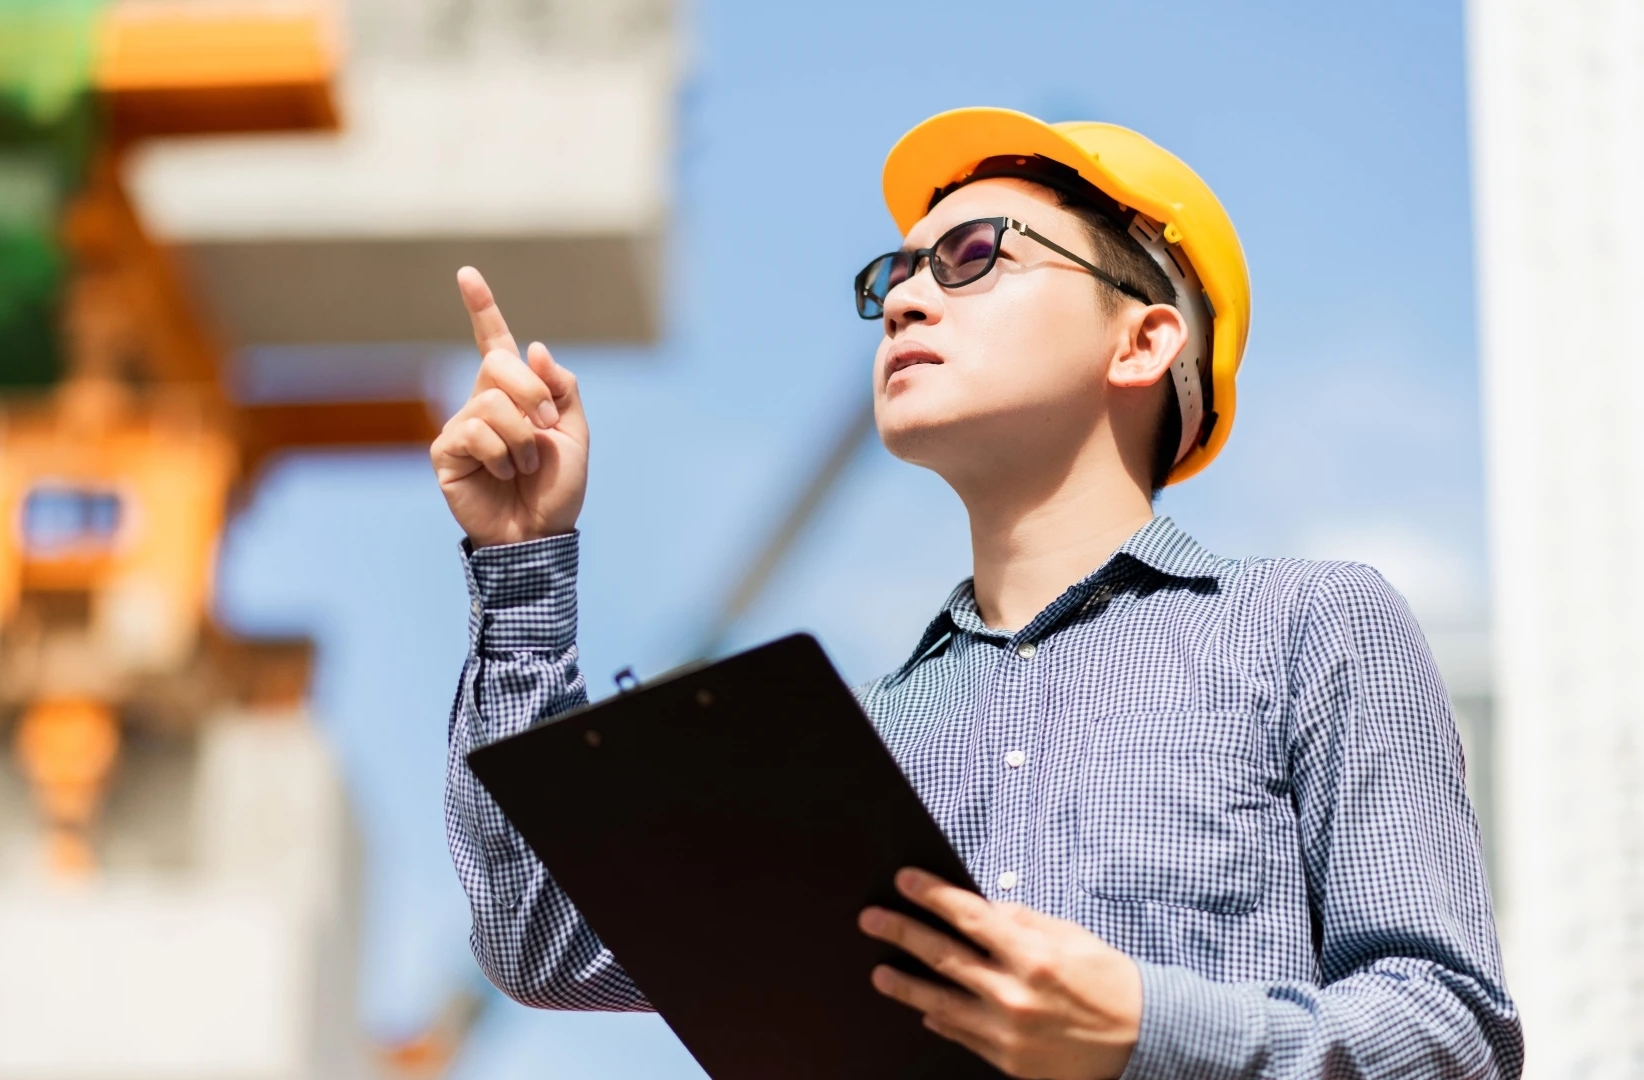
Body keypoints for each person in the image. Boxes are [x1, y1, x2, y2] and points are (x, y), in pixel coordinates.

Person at [431, 107, 1521, 1080]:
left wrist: (1147, 1030)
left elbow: (1450, 1031)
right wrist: (523, 558)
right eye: (891, 277)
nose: (904, 298)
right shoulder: (848, 738)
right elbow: (543, 938)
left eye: (969, 256)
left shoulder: (1308, 628)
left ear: (1143, 339)